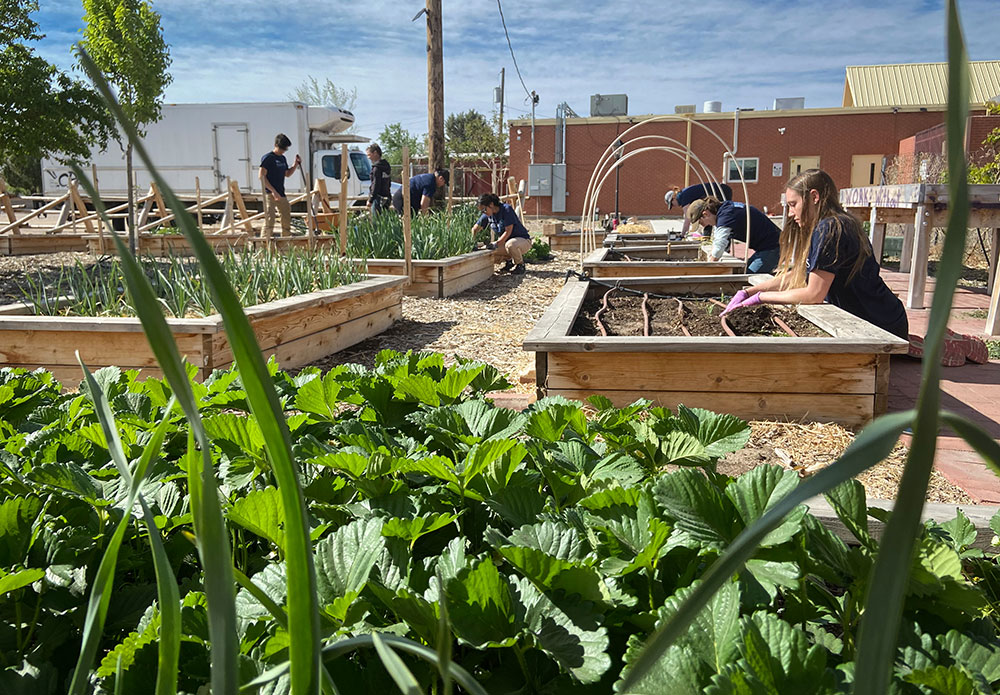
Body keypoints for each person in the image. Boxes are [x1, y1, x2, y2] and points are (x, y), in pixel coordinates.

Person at [722, 168, 910, 340]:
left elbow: (814, 294)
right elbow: (799, 274)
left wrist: (761, 298)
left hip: (878, 325)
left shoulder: (830, 229)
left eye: (793, 204)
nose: (790, 213)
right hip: (879, 318)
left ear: (814, 197)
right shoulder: (833, 223)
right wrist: (749, 292)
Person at [686, 196, 781, 273]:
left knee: (749, 276)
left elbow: (719, 246)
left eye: (701, 223)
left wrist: (708, 268)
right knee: (744, 271)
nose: (704, 226)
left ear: (705, 214)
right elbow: (719, 238)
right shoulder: (724, 210)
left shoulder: (726, 216)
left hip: (773, 246)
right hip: (766, 246)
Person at [471, 192, 531, 275]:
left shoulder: (506, 210)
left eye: (484, 209)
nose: (483, 212)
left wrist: (496, 243)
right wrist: (472, 242)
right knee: (487, 251)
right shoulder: (488, 215)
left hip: (522, 241)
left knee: (510, 245)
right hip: (505, 243)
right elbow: (474, 229)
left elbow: (508, 231)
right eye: (481, 211)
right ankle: (509, 261)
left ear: (491, 205)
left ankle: (520, 265)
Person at [259, 133, 300, 238]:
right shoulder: (268, 158)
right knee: (270, 218)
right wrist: (273, 191)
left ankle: (286, 239)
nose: (283, 151)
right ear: (276, 145)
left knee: (286, 215)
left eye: (285, 149)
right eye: (282, 148)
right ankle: (265, 241)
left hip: (281, 192)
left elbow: (287, 174)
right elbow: (261, 176)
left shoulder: (282, 159)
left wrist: (295, 164)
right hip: (270, 193)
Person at [668, 182, 733, 235]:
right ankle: (708, 235)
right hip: (721, 188)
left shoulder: (683, 198)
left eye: (672, 204)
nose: (674, 206)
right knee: (708, 214)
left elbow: (687, 220)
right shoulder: (683, 194)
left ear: (674, 198)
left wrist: (682, 235)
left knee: (718, 214)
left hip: (720, 190)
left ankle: (723, 236)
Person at [366, 144, 392, 215]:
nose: (368, 157)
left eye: (369, 155)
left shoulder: (376, 169)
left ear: (375, 153)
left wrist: (371, 199)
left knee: (376, 220)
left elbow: (376, 184)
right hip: (386, 196)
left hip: (378, 198)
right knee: (384, 218)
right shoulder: (386, 166)